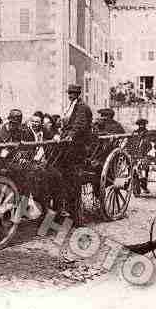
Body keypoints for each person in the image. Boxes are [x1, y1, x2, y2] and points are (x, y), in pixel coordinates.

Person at [59, 84, 93, 226]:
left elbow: (80, 125)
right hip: (69, 146)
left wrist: (70, 135)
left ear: (78, 94)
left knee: (75, 182)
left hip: (78, 148)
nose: (70, 95)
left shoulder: (82, 107)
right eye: (69, 93)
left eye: (73, 93)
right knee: (65, 180)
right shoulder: (71, 106)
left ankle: (77, 219)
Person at [134, 119, 151, 194]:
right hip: (135, 154)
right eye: (140, 125)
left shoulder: (148, 133)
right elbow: (131, 143)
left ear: (145, 125)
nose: (141, 126)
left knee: (145, 170)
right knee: (135, 171)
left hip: (144, 155)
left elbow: (149, 145)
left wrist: (146, 153)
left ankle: (144, 186)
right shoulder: (135, 133)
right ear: (138, 125)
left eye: (143, 125)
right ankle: (137, 187)